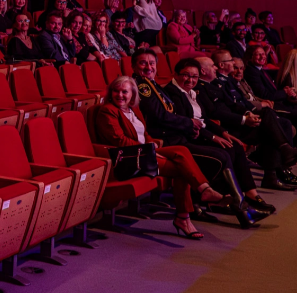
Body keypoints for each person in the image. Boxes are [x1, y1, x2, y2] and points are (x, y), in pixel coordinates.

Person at [133, 51, 264, 228]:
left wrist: (211, 130)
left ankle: (241, 203)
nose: (149, 67)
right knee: (222, 155)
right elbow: (160, 116)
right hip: (167, 140)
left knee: (230, 149)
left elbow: (194, 117)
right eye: (143, 63)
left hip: (179, 136)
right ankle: (239, 206)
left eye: (152, 63)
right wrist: (190, 125)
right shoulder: (143, 86)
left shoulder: (153, 84)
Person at [93, 77, 229, 239]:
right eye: (116, 91)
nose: (120, 95)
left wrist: (151, 145)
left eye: (124, 92)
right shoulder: (108, 111)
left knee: (181, 150)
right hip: (129, 158)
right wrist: (148, 150)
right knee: (181, 170)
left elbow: (145, 134)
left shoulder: (133, 110)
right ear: (111, 93)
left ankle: (202, 193)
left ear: (132, 94)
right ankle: (187, 214)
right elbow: (119, 141)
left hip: (144, 152)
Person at [197, 54, 297, 191]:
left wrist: (248, 113)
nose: (215, 68)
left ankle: (276, 170)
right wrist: (243, 120)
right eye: (212, 66)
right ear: (203, 71)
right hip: (226, 126)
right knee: (270, 126)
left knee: (273, 122)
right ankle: (280, 163)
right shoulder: (200, 88)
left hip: (236, 121)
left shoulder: (215, 84)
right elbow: (215, 113)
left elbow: (233, 104)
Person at [245, 45, 297, 148]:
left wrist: (286, 92)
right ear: (250, 57)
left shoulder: (260, 70)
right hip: (274, 105)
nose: (262, 56)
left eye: (263, 54)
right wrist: (285, 92)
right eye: (258, 54)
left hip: (281, 102)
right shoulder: (251, 72)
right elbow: (265, 95)